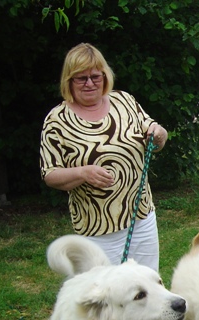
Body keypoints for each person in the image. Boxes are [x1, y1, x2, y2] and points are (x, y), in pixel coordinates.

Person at [40, 43, 168, 271]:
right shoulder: (57, 119)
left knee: (147, 287)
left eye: (95, 77)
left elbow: (155, 134)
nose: (89, 83)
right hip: (96, 229)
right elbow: (50, 174)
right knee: (104, 294)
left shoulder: (125, 102)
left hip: (141, 218)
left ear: (104, 76)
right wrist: (83, 172)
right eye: (80, 78)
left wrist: (158, 134)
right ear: (69, 81)